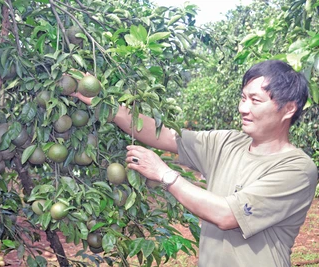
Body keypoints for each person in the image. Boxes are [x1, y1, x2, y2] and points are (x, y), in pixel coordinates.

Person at [72, 60, 318, 267]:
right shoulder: (227, 142)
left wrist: (165, 174)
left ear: (288, 109)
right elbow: (162, 134)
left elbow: (227, 215)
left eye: (255, 100)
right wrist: (103, 103)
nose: (243, 108)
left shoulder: (297, 169)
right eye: (243, 98)